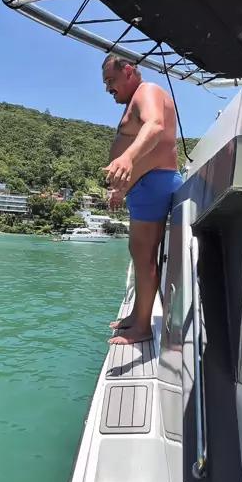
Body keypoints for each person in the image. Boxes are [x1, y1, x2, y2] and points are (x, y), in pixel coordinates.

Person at [102, 53, 183, 345]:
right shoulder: (138, 97)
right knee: (139, 253)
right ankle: (138, 316)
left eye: (111, 80)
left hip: (152, 183)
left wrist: (127, 158)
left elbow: (155, 126)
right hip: (146, 184)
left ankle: (143, 328)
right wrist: (121, 189)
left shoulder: (147, 91)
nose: (108, 89)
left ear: (128, 71)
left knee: (144, 256)